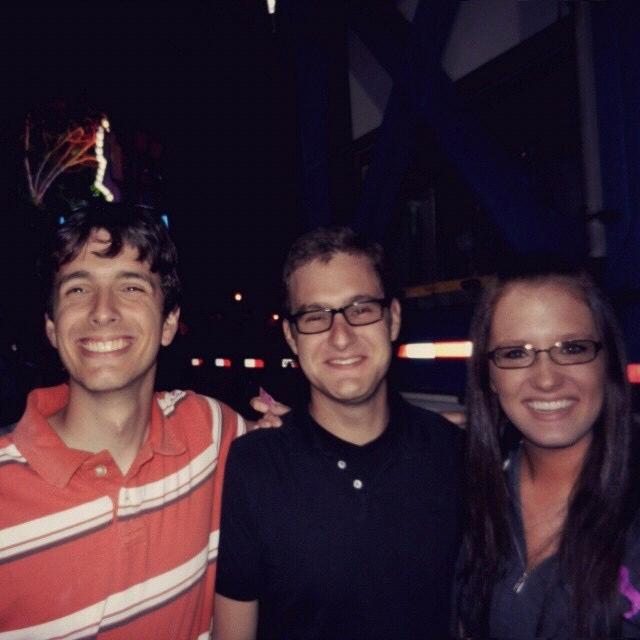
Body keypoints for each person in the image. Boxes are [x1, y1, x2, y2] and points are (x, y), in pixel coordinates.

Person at [0, 204, 247, 639]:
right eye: (78, 289)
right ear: (52, 327)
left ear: (169, 323)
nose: (102, 311)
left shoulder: (212, 430)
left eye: (131, 287)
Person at [213, 226, 464, 640]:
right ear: (292, 337)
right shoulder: (255, 466)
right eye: (315, 316)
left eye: (361, 309)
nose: (341, 336)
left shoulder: (453, 454)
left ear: (393, 318)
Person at [456, 264, 640, 637]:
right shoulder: (465, 490)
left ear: (606, 362)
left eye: (572, 348)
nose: (546, 379)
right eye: (515, 353)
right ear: (489, 376)